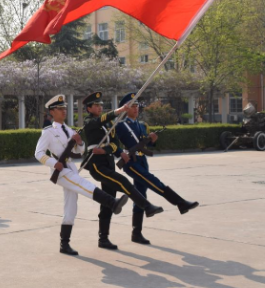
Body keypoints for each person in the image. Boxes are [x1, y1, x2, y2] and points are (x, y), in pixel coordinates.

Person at [34, 94, 129, 256]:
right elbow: (38, 153)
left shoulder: (70, 130)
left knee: (71, 207)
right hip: (60, 169)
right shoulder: (49, 132)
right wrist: (52, 163)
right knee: (84, 185)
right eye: (60, 109)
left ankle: (64, 244)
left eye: (64, 108)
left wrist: (79, 142)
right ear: (51, 112)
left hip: (70, 166)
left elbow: (81, 150)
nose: (63, 111)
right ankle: (112, 202)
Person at [81, 91, 163, 250]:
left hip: (108, 162)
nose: (99, 107)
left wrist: (113, 151)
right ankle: (146, 206)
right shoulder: (89, 122)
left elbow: (114, 144)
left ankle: (103, 239)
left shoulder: (107, 125)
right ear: (89, 108)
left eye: (100, 105)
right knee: (122, 181)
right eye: (96, 105)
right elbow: (100, 121)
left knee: (108, 202)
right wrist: (119, 111)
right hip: (97, 164)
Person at [115, 92, 199, 245]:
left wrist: (152, 140)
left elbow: (143, 143)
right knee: (153, 181)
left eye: (137, 106)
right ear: (126, 108)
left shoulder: (141, 125)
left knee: (140, 195)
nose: (136, 109)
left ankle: (136, 233)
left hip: (142, 160)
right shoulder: (120, 125)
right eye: (133, 106)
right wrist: (119, 152)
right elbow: (113, 141)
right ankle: (179, 202)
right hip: (131, 162)